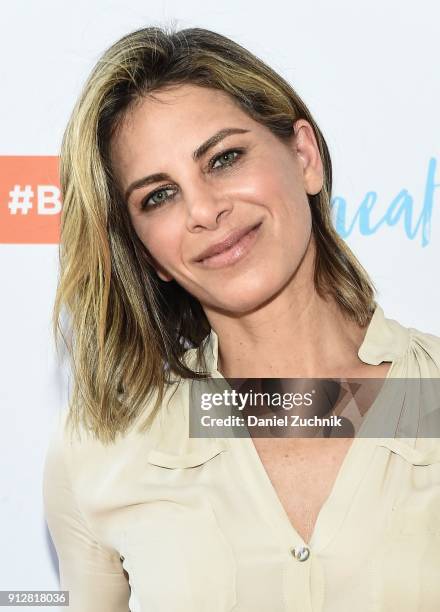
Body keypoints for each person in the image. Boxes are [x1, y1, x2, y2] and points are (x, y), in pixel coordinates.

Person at [43, 25, 440, 612]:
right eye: (158, 196)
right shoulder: (102, 450)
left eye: (224, 158)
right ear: (147, 253)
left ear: (304, 156)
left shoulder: (428, 394)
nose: (204, 210)